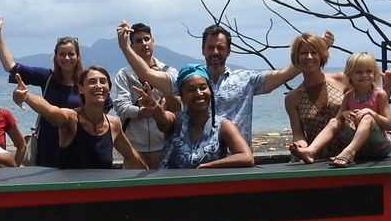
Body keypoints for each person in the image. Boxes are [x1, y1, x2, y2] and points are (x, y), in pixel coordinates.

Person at [118, 21, 327, 146]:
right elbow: (146, 72)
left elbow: (284, 73)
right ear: (202, 50)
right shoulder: (188, 81)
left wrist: (312, 52)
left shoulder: (246, 80)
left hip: (238, 160)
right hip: (198, 162)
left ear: (229, 51)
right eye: (210, 48)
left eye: (220, 47)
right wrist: (124, 47)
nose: (215, 52)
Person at [0, 11, 96, 168]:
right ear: (55, 57)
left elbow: (102, 108)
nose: (67, 58)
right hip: (49, 143)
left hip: (80, 142)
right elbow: (11, 67)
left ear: (78, 56)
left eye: (71, 54)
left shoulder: (87, 81)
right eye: (62, 54)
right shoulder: (48, 77)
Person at [13, 65, 147, 171]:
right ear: (81, 89)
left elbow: (132, 156)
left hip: (100, 196)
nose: (98, 85)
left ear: (109, 89)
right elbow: (50, 111)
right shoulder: (71, 119)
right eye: (92, 82)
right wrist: (26, 96)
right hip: (71, 196)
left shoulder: (113, 124)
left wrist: (149, 178)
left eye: (103, 81)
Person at [135, 64, 254, 169]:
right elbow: (163, 119)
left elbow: (247, 157)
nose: (198, 93)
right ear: (182, 97)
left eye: (203, 88)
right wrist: (155, 108)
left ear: (210, 91)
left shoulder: (222, 126)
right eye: (191, 90)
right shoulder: (176, 121)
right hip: (170, 191)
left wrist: (209, 166)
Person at [295, 51, 391, 166]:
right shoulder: (349, 95)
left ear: (375, 74)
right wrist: (345, 114)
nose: (364, 75)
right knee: (334, 121)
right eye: (359, 72)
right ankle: (311, 151)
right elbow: (337, 120)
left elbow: (388, 124)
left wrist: (371, 113)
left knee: (367, 118)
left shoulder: (379, 94)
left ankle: (349, 152)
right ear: (349, 75)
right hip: (361, 147)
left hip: (381, 145)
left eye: (368, 71)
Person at [112, 23, 173, 169]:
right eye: (138, 41)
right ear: (132, 47)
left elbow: (178, 105)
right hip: (135, 149)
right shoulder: (124, 75)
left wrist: (151, 108)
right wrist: (144, 111)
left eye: (146, 39)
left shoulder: (167, 72)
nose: (144, 44)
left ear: (153, 41)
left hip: (165, 146)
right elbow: (121, 107)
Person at [283, 33, 341, 161]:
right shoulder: (292, 98)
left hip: (350, 156)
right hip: (318, 159)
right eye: (303, 53)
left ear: (321, 56)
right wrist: (298, 148)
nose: (309, 57)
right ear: (296, 58)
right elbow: (299, 135)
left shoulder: (341, 80)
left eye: (314, 52)